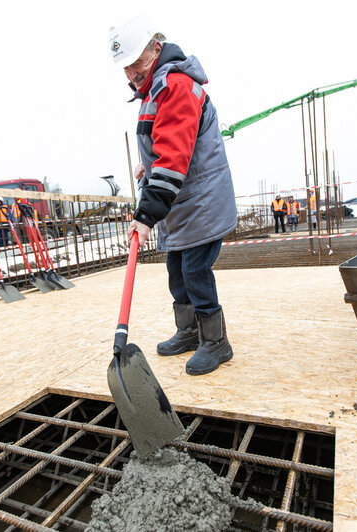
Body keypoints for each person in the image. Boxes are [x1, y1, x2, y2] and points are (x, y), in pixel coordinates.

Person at [110, 15, 237, 375]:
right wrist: (146, 166)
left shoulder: (175, 86)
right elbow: (165, 143)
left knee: (195, 269)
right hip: (183, 201)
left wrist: (145, 216)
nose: (132, 73)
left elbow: (174, 159)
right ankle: (189, 330)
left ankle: (216, 341)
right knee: (177, 269)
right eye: (126, 67)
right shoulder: (154, 87)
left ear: (156, 47)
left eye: (137, 62)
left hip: (201, 200)